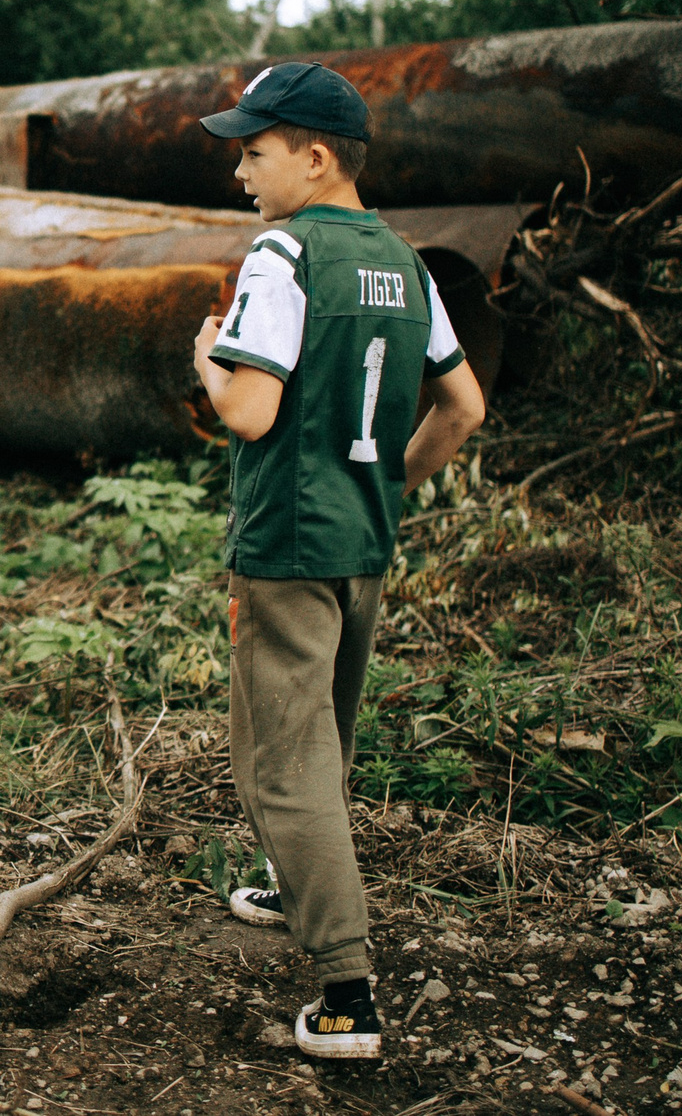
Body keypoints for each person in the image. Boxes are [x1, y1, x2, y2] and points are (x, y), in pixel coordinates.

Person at [188, 60, 487, 1061]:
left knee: (284, 759)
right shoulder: (404, 263)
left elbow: (249, 409)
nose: (242, 173)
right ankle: (289, 881)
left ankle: (348, 996)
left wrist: (206, 360)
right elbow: (464, 408)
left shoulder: (283, 253)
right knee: (326, 734)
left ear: (313, 158)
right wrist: (390, 485)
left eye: (256, 152)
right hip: (360, 539)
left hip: (284, 546)